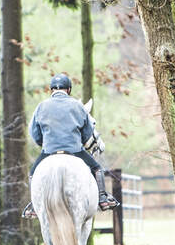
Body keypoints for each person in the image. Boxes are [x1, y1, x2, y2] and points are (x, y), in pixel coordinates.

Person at [22, 74, 120, 219]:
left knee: (32, 174)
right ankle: (103, 198)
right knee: (97, 168)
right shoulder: (77, 105)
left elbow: (34, 134)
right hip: (75, 151)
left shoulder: (41, 106)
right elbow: (87, 134)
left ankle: (34, 206)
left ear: (51, 90)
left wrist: (47, 143)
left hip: (49, 151)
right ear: (68, 90)